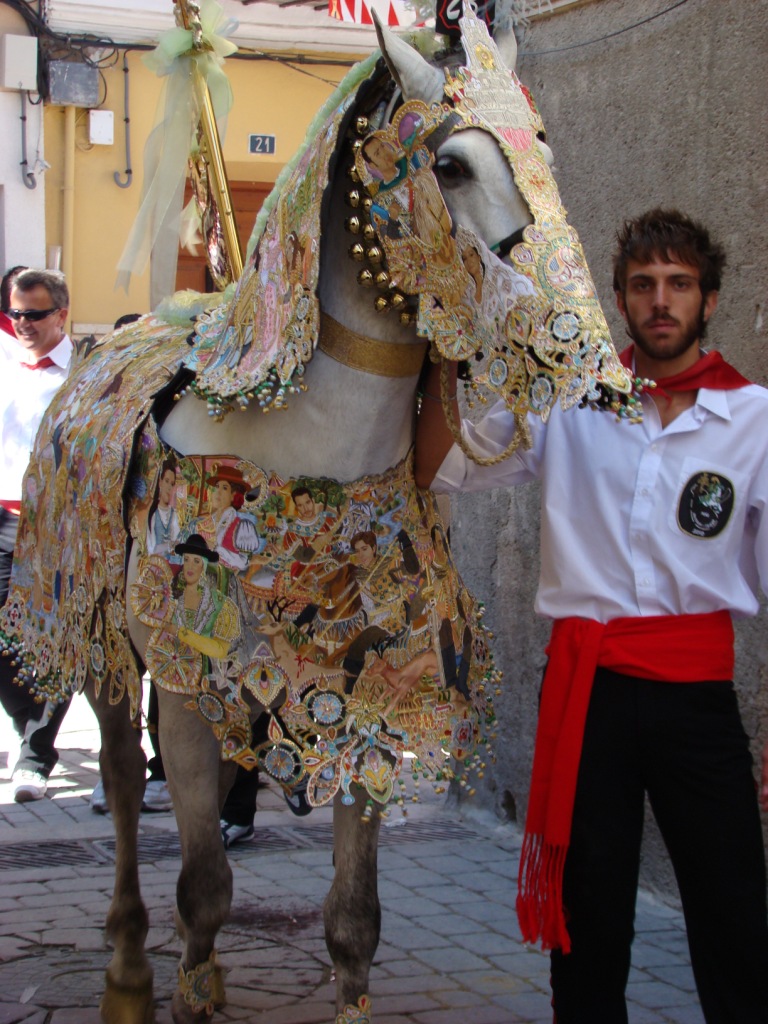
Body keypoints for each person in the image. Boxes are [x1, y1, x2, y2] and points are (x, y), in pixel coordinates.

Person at [414, 208, 768, 1024]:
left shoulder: (751, 418)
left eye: (680, 283)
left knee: (733, 916)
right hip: (590, 697)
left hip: (697, 701)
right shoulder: (566, 401)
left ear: (709, 300)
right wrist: (444, 351)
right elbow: (445, 466)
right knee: (589, 922)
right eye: (643, 285)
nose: (660, 300)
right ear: (618, 299)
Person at [0, 268, 73, 802]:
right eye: (15, 313)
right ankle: (31, 726)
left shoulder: (89, 372)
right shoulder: (3, 367)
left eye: (35, 314)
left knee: (50, 639)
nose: (23, 323)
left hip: (56, 524)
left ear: (62, 314)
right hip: (2, 517)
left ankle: (36, 754)